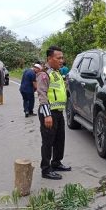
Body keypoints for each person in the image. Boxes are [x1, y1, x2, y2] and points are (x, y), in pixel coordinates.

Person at [36, 46, 71, 180]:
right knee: (48, 142)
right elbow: (42, 95)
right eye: (58, 58)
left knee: (59, 140)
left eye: (62, 58)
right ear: (49, 59)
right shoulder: (44, 74)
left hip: (59, 112)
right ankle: (45, 169)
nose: (61, 60)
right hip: (49, 113)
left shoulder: (57, 73)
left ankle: (56, 163)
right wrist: (47, 115)